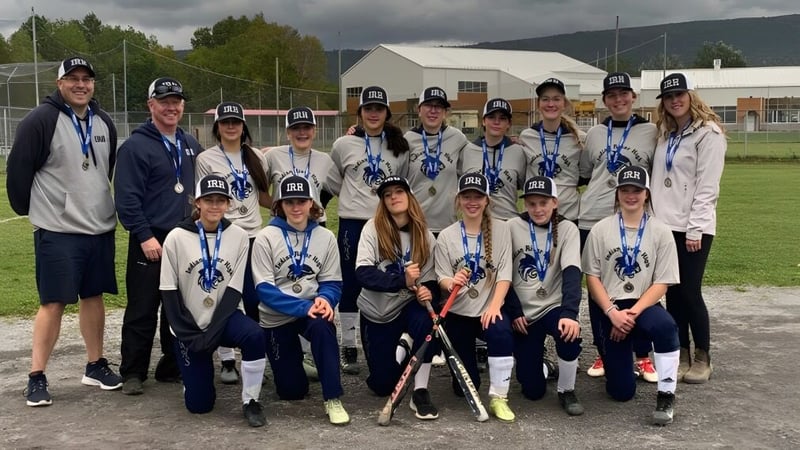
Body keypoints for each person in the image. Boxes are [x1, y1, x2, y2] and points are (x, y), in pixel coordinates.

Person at [7, 57, 122, 406]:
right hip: (58, 230)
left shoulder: (103, 122)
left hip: (98, 228)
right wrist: (33, 211)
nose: (80, 84)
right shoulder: (41, 120)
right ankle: (37, 375)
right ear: (60, 84)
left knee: (94, 296)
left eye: (87, 79)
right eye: (72, 78)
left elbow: (107, 170)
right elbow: (18, 172)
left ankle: (94, 364)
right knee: (52, 302)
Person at [115, 77, 204, 395]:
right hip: (150, 238)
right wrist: (143, 236)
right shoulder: (135, 147)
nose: (171, 106)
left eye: (177, 101)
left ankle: (171, 365)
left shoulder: (190, 145)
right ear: (151, 104)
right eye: (164, 101)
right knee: (142, 306)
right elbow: (126, 199)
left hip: (184, 238)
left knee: (177, 307)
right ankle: (133, 372)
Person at [159, 174, 267, 427]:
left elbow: (233, 291)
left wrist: (213, 333)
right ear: (197, 202)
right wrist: (192, 334)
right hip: (189, 325)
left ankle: (251, 400)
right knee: (200, 406)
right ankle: (193, 381)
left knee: (254, 335)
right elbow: (168, 292)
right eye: (209, 200)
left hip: (225, 317)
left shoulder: (238, 236)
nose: (215, 206)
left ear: (229, 204)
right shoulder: (176, 237)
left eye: (221, 200)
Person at [582, 165, 680, 425]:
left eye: (636, 190)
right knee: (621, 393)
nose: (631, 195)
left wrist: (631, 315)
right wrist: (613, 314)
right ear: (617, 194)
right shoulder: (601, 229)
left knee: (666, 326)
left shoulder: (661, 231)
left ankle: (666, 394)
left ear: (646, 193)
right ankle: (623, 365)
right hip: (609, 307)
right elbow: (592, 277)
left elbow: (662, 283)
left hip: (643, 304)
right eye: (625, 190)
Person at [579, 72, 659, 381]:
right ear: (604, 100)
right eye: (611, 95)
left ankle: (642, 355)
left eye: (624, 93)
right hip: (594, 216)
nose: (618, 99)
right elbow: (586, 172)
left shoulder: (651, 131)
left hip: (635, 218)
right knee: (599, 289)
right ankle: (604, 352)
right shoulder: (596, 133)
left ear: (634, 97)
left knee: (639, 282)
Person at [252, 175, 350, 425]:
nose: (296, 207)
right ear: (280, 206)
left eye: (301, 201)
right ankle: (297, 363)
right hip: (277, 317)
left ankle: (332, 397)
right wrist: (305, 307)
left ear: (311, 204)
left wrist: (326, 301)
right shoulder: (266, 237)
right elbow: (264, 289)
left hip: (312, 311)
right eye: (289, 202)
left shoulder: (325, 237)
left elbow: (332, 282)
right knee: (292, 392)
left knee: (323, 324)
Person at [327, 86, 410, 374]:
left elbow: (404, 185)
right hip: (352, 222)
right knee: (350, 281)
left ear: (387, 113)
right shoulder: (343, 144)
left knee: (384, 278)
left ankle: (386, 337)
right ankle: (349, 344)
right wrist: (353, 198)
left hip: (385, 222)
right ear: (360, 113)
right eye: (368, 109)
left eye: (379, 108)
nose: (373, 113)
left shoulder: (398, 146)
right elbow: (333, 182)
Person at [651, 73, 726, 383]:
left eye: (680, 94)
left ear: (691, 96)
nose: (675, 100)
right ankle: (680, 352)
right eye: (669, 97)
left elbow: (708, 187)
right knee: (672, 293)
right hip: (664, 226)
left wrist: (695, 228)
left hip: (693, 227)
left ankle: (703, 357)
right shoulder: (667, 134)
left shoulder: (708, 134)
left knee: (690, 292)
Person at [195, 101, 270, 384]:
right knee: (223, 298)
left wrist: (291, 208)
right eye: (225, 122)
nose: (230, 126)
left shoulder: (256, 158)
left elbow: (262, 196)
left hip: (252, 236)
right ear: (217, 127)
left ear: (243, 126)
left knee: (253, 299)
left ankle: (255, 358)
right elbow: (203, 200)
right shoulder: (206, 159)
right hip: (223, 236)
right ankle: (227, 360)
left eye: (235, 122)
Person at [355, 176, 441, 420]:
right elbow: (362, 273)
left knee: (427, 321)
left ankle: (421, 391)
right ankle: (404, 347)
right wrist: (401, 281)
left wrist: (428, 291)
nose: (394, 197)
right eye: (387, 194)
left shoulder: (423, 234)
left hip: (407, 306)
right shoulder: (373, 227)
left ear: (409, 196)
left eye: (399, 191)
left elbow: (431, 280)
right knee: (382, 385)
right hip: (378, 312)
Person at [434, 173, 515, 423]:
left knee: (500, 330)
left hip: (487, 309)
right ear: (458, 200)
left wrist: (494, 306)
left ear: (486, 200)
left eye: (477, 197)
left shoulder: (502, 229)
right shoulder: (447, 235)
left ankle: (499, 397)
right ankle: (474, 375)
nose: (472, 202)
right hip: (459, 312)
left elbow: (504, 275)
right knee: (463, 389)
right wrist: (452, 282)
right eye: (466, 197)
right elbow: (441, 278)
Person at [264, 106, 335, 379]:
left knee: (314, 284)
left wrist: (316, 211)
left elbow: (332, 188)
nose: (302, 132)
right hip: (283, 227)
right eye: (296, 128)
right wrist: (274, 208)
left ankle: (311, 352)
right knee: (286, 281)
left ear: (314, 131)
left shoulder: (325, 159)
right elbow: (258, 183)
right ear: (288, 132)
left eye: (307, 127)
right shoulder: (273, 155)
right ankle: (288, 350)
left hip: (316, 227)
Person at [504, 176, 584, 416]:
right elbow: (502, 275)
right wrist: (514, 311)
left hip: (553, 306)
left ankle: (566, 390)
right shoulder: (511, 227)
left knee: (568, 334)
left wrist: (570, 314)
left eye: (543, 203)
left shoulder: (568, 228)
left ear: (555, 202)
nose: (538, 209)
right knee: (532, 391)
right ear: (525, 205)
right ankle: (545, 367)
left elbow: (572, 273)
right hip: (524, 314)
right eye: (531, 204)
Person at [518, 78, 585, 223]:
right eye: (545, 99)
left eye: (556, 99)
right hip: (535, 216)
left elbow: (586, 174)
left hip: (568, 216)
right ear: (538, 104)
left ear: (564, 104)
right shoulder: (527, 136)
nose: (550, 104)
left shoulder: (579, 139)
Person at [405, 86, 469, 233]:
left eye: (439, 106)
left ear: (445, 113)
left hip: (448, 228)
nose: (433, 111)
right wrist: (358, 132)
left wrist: (509, 142)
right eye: (428, 105)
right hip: (416, 225)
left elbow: (481, 150)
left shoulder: (457, 138)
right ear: (419, 110)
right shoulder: (408, 139)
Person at [459, 98, 530, 220]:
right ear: (483, 121)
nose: (497, 122)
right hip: (475, 222)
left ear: (509, 124)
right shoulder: (467, 150)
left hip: (508, 222)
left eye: (502, 118)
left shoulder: (519, 152)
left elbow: (525, 187)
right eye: (491, 117)